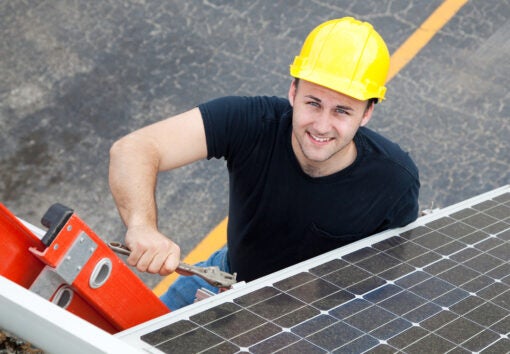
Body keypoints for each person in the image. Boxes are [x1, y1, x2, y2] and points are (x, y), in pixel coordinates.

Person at [108, 17, 420, 310]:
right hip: (226, 278)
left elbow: (382, 285)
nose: (322, 126)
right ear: (293, 92)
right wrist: (142, 226)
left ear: (366, 113)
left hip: (311, 319)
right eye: (313, 103)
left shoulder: (394, 183)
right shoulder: (252, 122)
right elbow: (134, 148)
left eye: (342, 111)